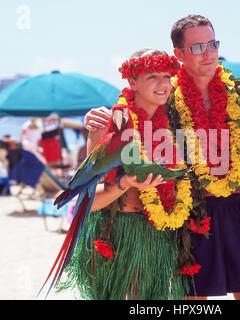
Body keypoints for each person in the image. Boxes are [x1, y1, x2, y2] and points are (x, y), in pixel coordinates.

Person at [84, 15, 240, 300]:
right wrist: (95, 117)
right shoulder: (166, 95)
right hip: (190, 213)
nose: (209, 53)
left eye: (213, 44)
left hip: (238, 208)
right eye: (197, 47)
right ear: (178, 55)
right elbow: (131, 109)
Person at [57, 48, 190, 300]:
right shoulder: (109, 124)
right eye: (152, 76)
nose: (163, 84)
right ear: (132, 82)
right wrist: (123, 183)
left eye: (167, 76)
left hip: (158, 235)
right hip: (113, 232)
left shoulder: (175, 127)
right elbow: (90, 202)